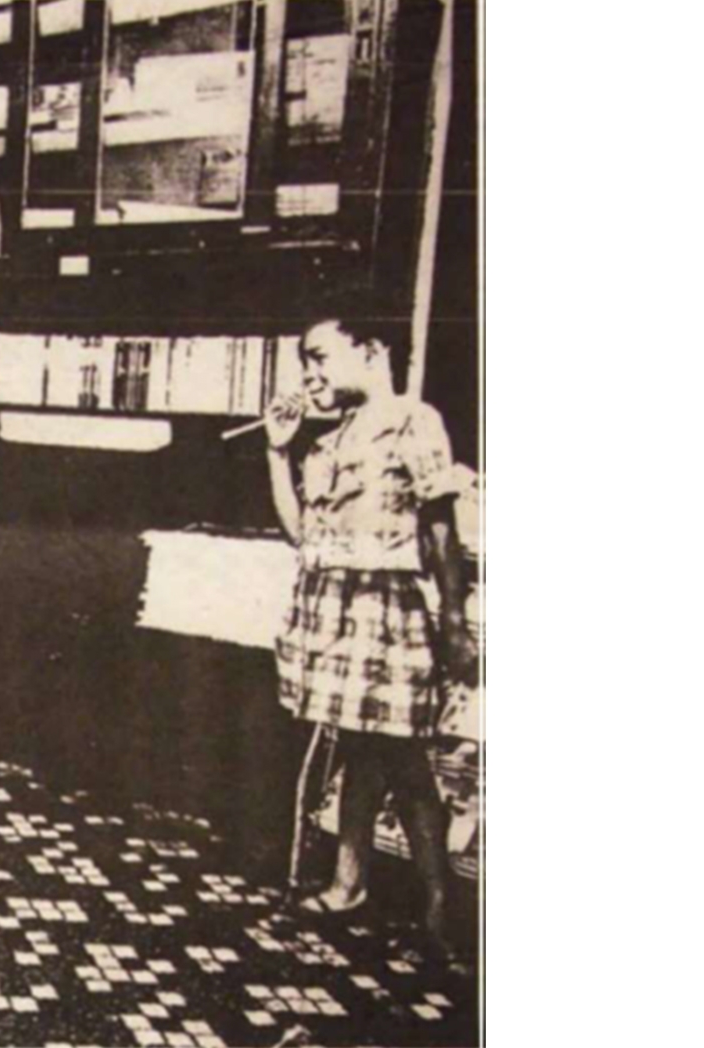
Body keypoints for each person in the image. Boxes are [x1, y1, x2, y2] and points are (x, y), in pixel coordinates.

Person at [263, 313, 477, 965]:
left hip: (389, 609)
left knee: (405, 760)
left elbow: (440, 528)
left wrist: (453, 619)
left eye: (322, 357)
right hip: (332, 608)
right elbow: (304, 536)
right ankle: (349, 886)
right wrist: (277, 450)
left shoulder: (413, 420)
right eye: (306, 361)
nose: (310, 373)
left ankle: (442, 904)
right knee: (359, 747)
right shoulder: (327, 440)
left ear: (372, 350)